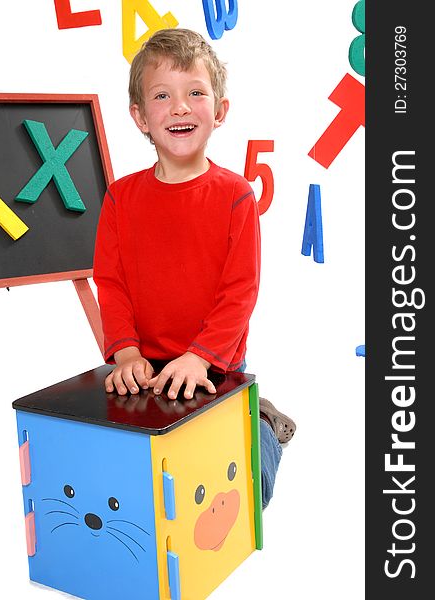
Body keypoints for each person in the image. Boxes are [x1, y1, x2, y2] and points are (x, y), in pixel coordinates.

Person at [93, 28, 296, 509]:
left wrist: (200, 357)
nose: (180, 107)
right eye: (162, 96)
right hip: (143, 367)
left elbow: (239, 292)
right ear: (140, 117)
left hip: (216, 367)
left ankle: (261, 424)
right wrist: (124, 355)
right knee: (145, 486)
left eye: (195, 93)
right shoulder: (121, 197)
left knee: (242, 492)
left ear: (219, 111)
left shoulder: (235, 196)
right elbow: (112, 283)